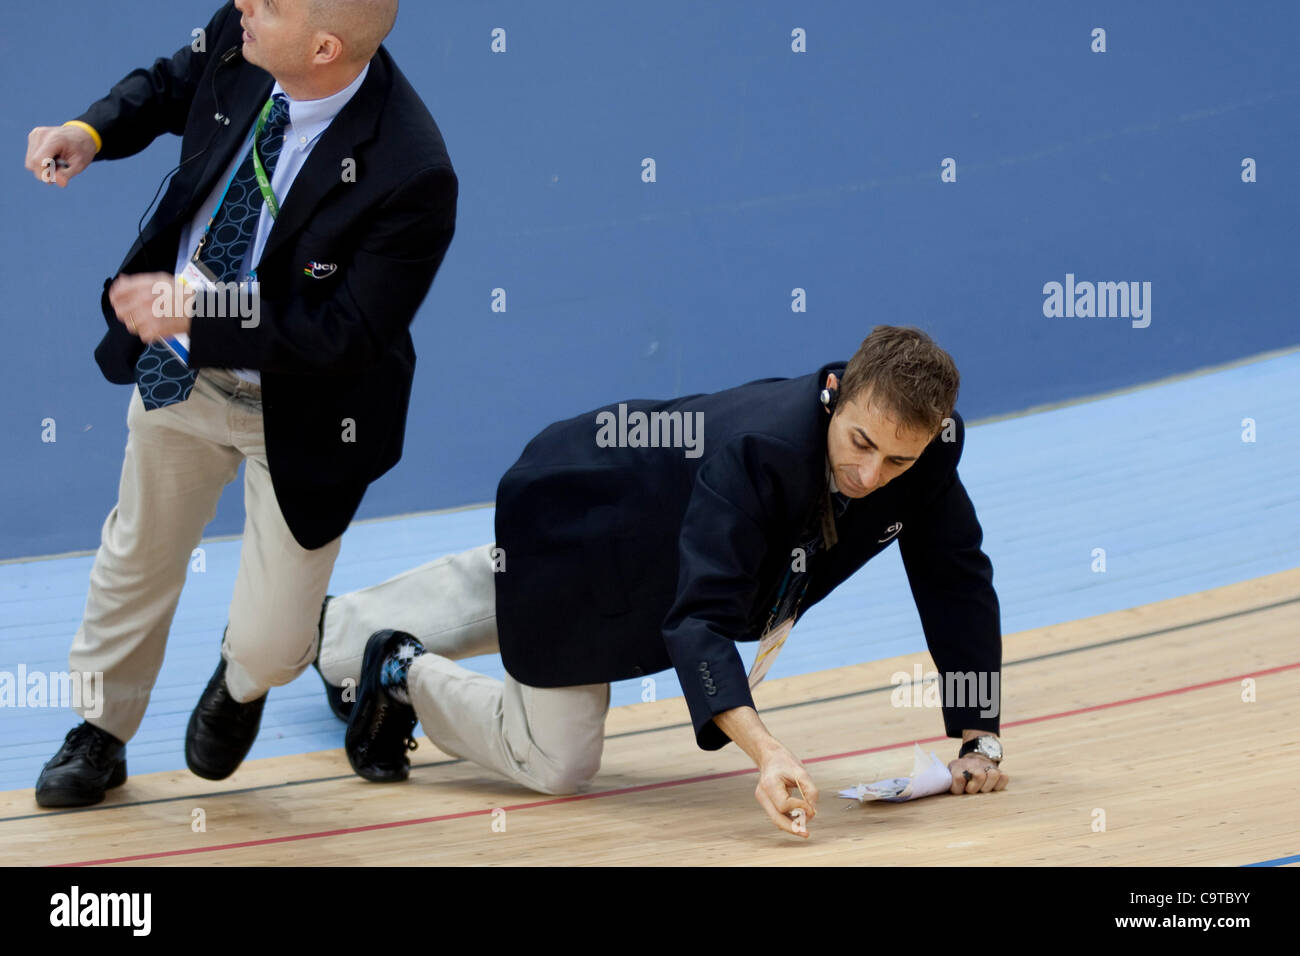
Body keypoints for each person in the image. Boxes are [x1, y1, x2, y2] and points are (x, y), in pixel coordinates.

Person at [317, 326, 1009, 838]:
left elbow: (956, 579)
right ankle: (398, 672)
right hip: (588, 533)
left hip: (651, 534)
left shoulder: (926, 460)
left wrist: (980, 733)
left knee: (501, 582)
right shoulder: (760, 452)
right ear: (835, 396)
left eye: (897, 459)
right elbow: (699, 621)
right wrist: (765, 753)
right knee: (557, 762)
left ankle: (329, 633)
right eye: (860, 444)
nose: (870, 476)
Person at [24, 0, 457, 807]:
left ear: (324, 47)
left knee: (270, 642)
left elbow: (342, 334)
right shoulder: (244, 35)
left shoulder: (411, 170)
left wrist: (198, 315)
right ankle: (102, 730)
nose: (244, 4)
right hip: (180, 371)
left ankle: (245, 679)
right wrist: (92, 131)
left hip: (305, 408)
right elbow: (170, 83)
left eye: (272, 3)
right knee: (136, 554)